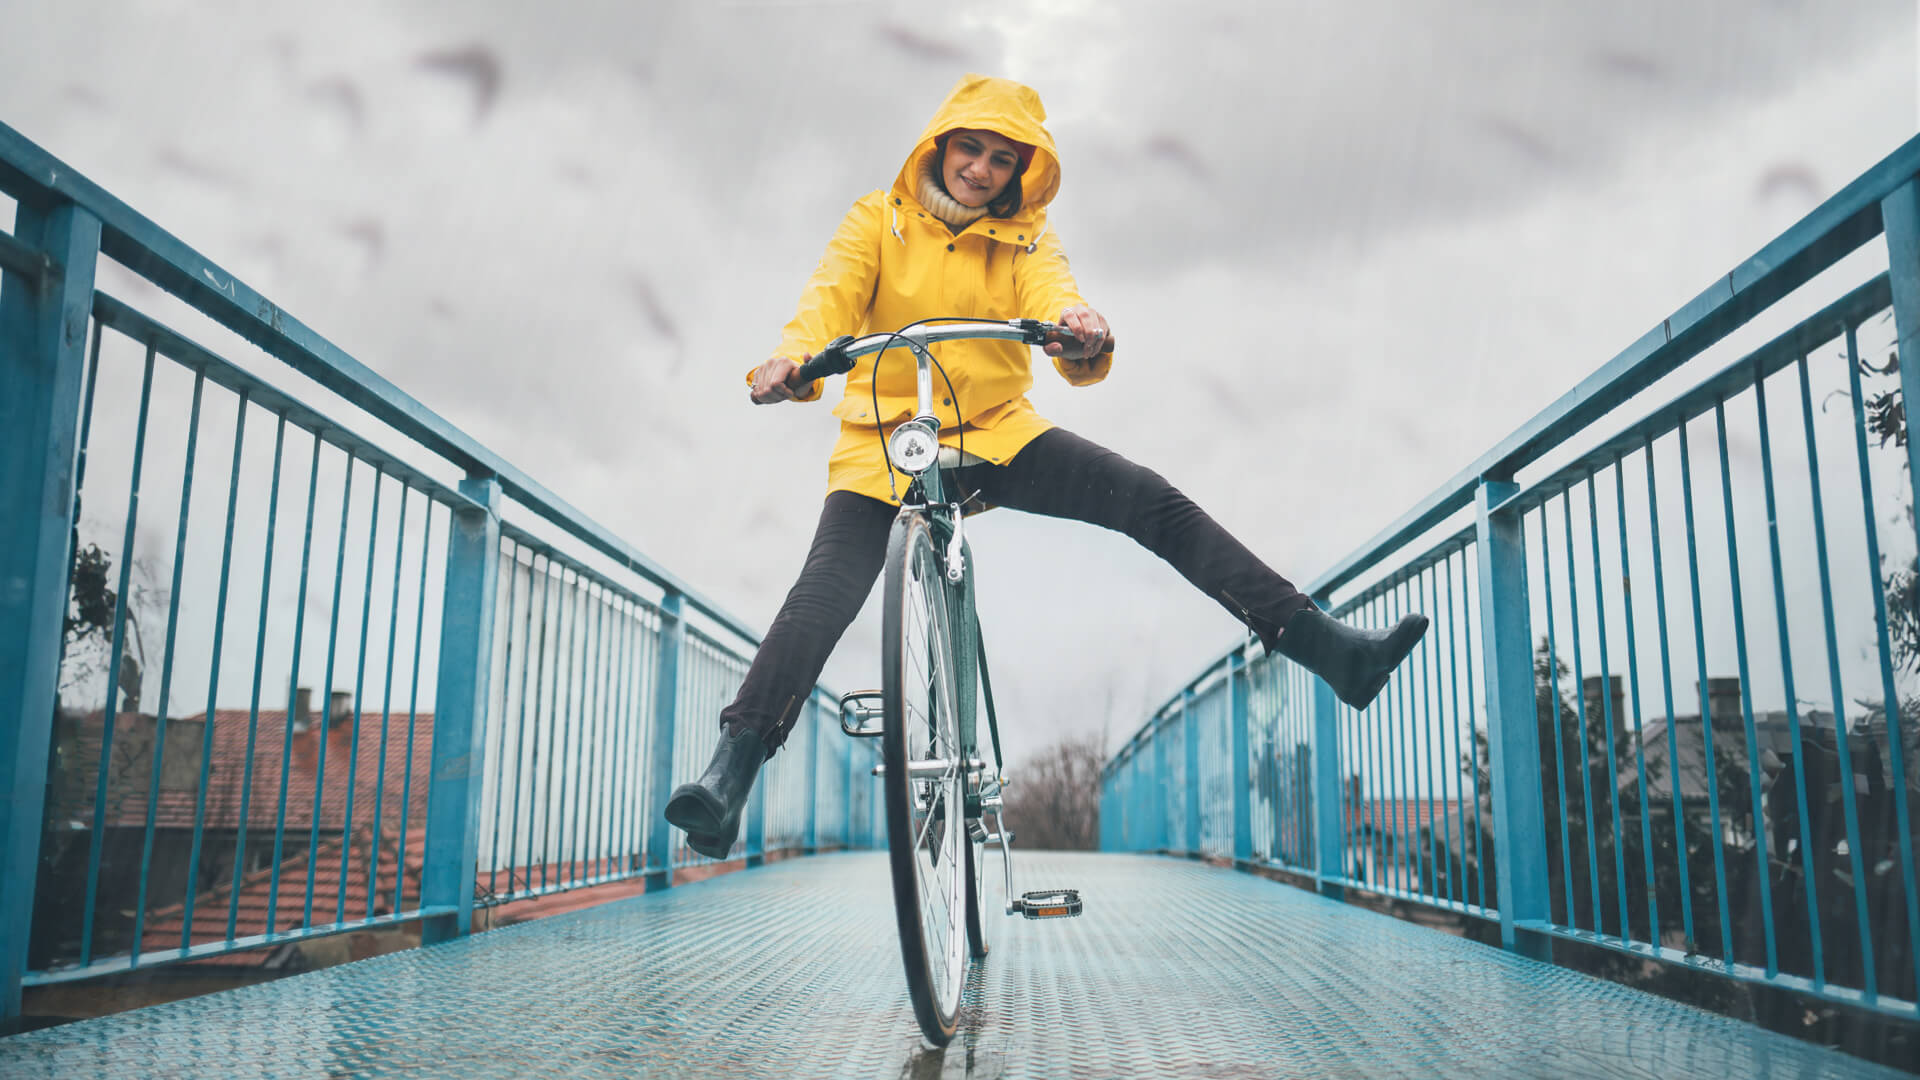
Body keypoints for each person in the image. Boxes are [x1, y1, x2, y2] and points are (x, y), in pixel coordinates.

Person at [664, 74, 1427, 858]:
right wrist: (792, 360)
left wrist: (1078, 324)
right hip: (882, 448)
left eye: (1001, 159)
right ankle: (730, 775)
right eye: (970, 148)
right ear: (941, 144)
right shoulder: (877, 221)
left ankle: (1329, 649)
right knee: (820, 597)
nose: (981, 169)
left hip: (994, 430)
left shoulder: (1027, 237)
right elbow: (829, 300)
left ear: (1018, 173)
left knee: (1148, 500)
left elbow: (1053, 292)